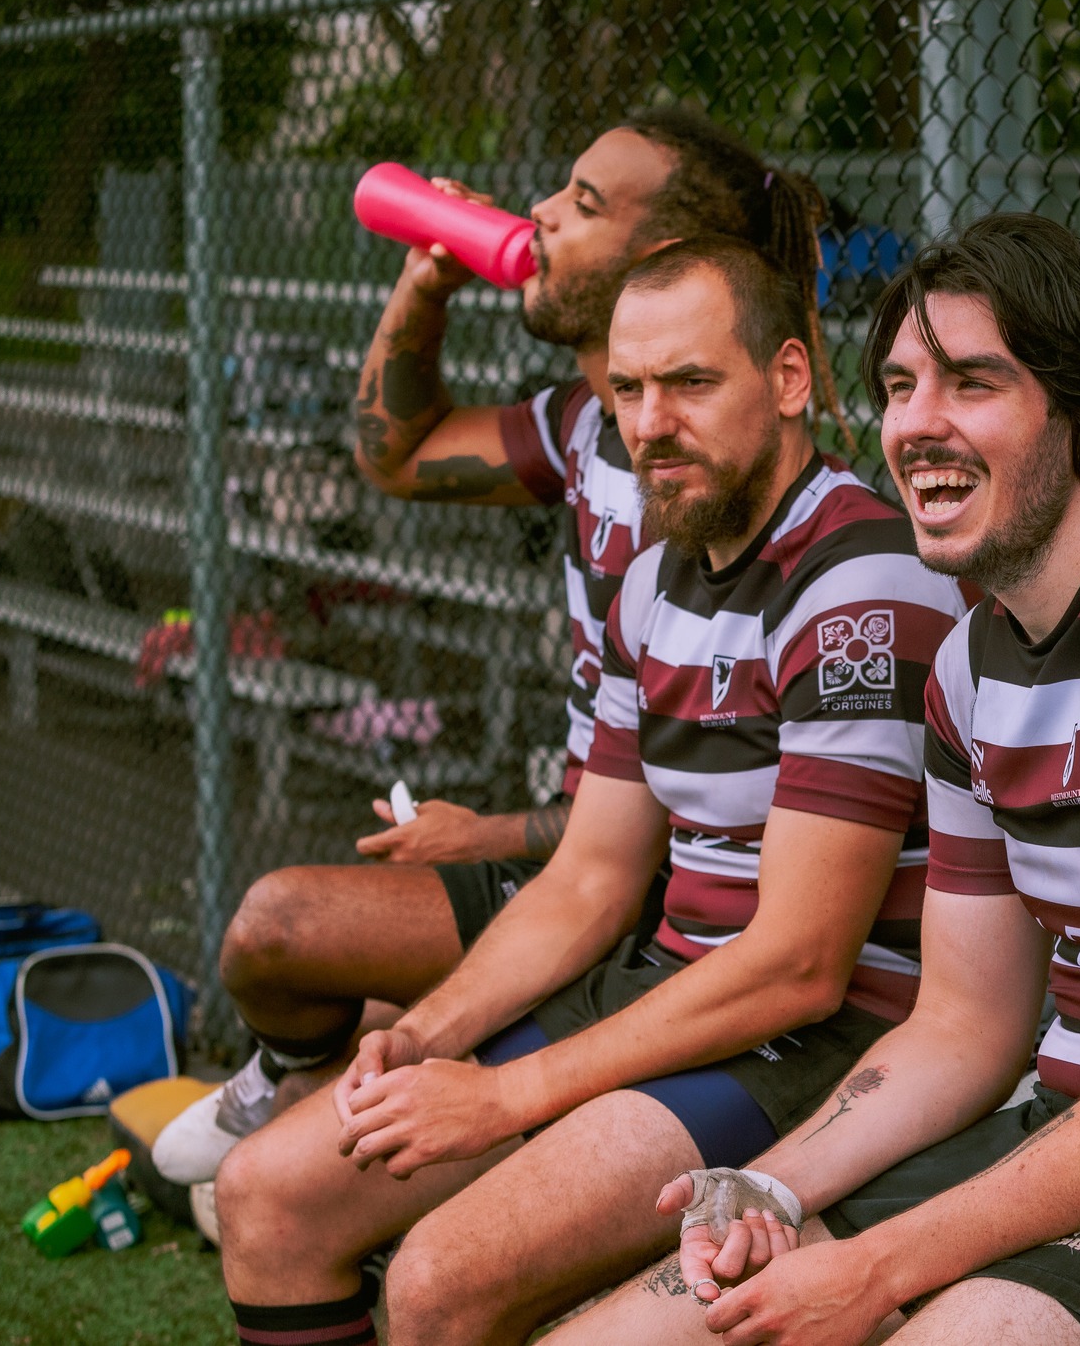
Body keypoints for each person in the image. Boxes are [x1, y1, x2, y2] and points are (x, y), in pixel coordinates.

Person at [546, 213, 1080, 1346]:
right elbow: (963, 1024)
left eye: (971, 383)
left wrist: (871, 1268)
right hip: (1065, 1123)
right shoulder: (969, 657)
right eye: (902, 385)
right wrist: (774, 1185)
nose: (917, 425)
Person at [214, 234, 966, 1346]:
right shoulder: (657, 573)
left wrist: (508, 1096)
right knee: (267, 1194)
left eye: (693, 383)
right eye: (628, 389)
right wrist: (428, 1036)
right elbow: (590, 878)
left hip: (812, 1046)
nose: (651, 421)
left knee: (437, 1279)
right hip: (662, 988)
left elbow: (802, 966)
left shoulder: (860, 579)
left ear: (792, 379)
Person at [156, 107, 839, 1187]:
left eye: (583, 204)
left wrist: (504, 832)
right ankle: (290, 1102)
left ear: (658, 257)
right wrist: (428, 281)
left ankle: (298, 1119)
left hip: (653, 885)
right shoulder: (576, 423)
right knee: (307, 956)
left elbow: (706, 781)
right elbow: (397, 451)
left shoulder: (732, 476)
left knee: (338, 976)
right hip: (584, 847)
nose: (539, 216)